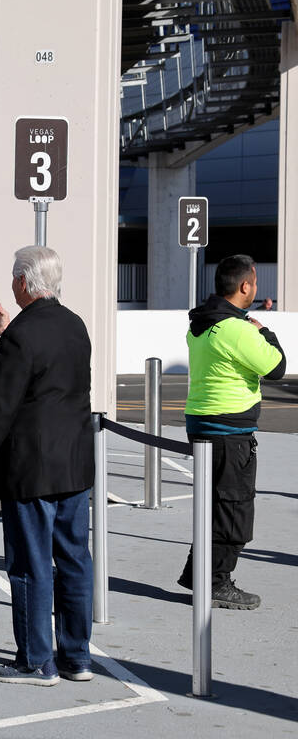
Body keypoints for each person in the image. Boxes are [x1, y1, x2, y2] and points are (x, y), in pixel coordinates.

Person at [0, 246, 94, 686]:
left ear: (23, 282)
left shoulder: (21, 336)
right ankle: (76, 658)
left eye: (15, 277)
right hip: (74, 464)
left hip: (30, 468)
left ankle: (35, 661)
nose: (12, 283)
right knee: (74, 561)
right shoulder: (74, 324)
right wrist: (4, 328)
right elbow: (46, 369)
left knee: (30, 564)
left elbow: (0, 410)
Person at [177, 254, 285, 609]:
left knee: (214, 505)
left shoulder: (202, 323)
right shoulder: (237, 329)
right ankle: (216, 582)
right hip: (228, 430)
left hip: (201, 422)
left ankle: (200, 575)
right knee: (233, 508)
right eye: (254, 281)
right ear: (245, 286)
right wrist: (264, 331)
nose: (256, 287)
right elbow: (277, 367)